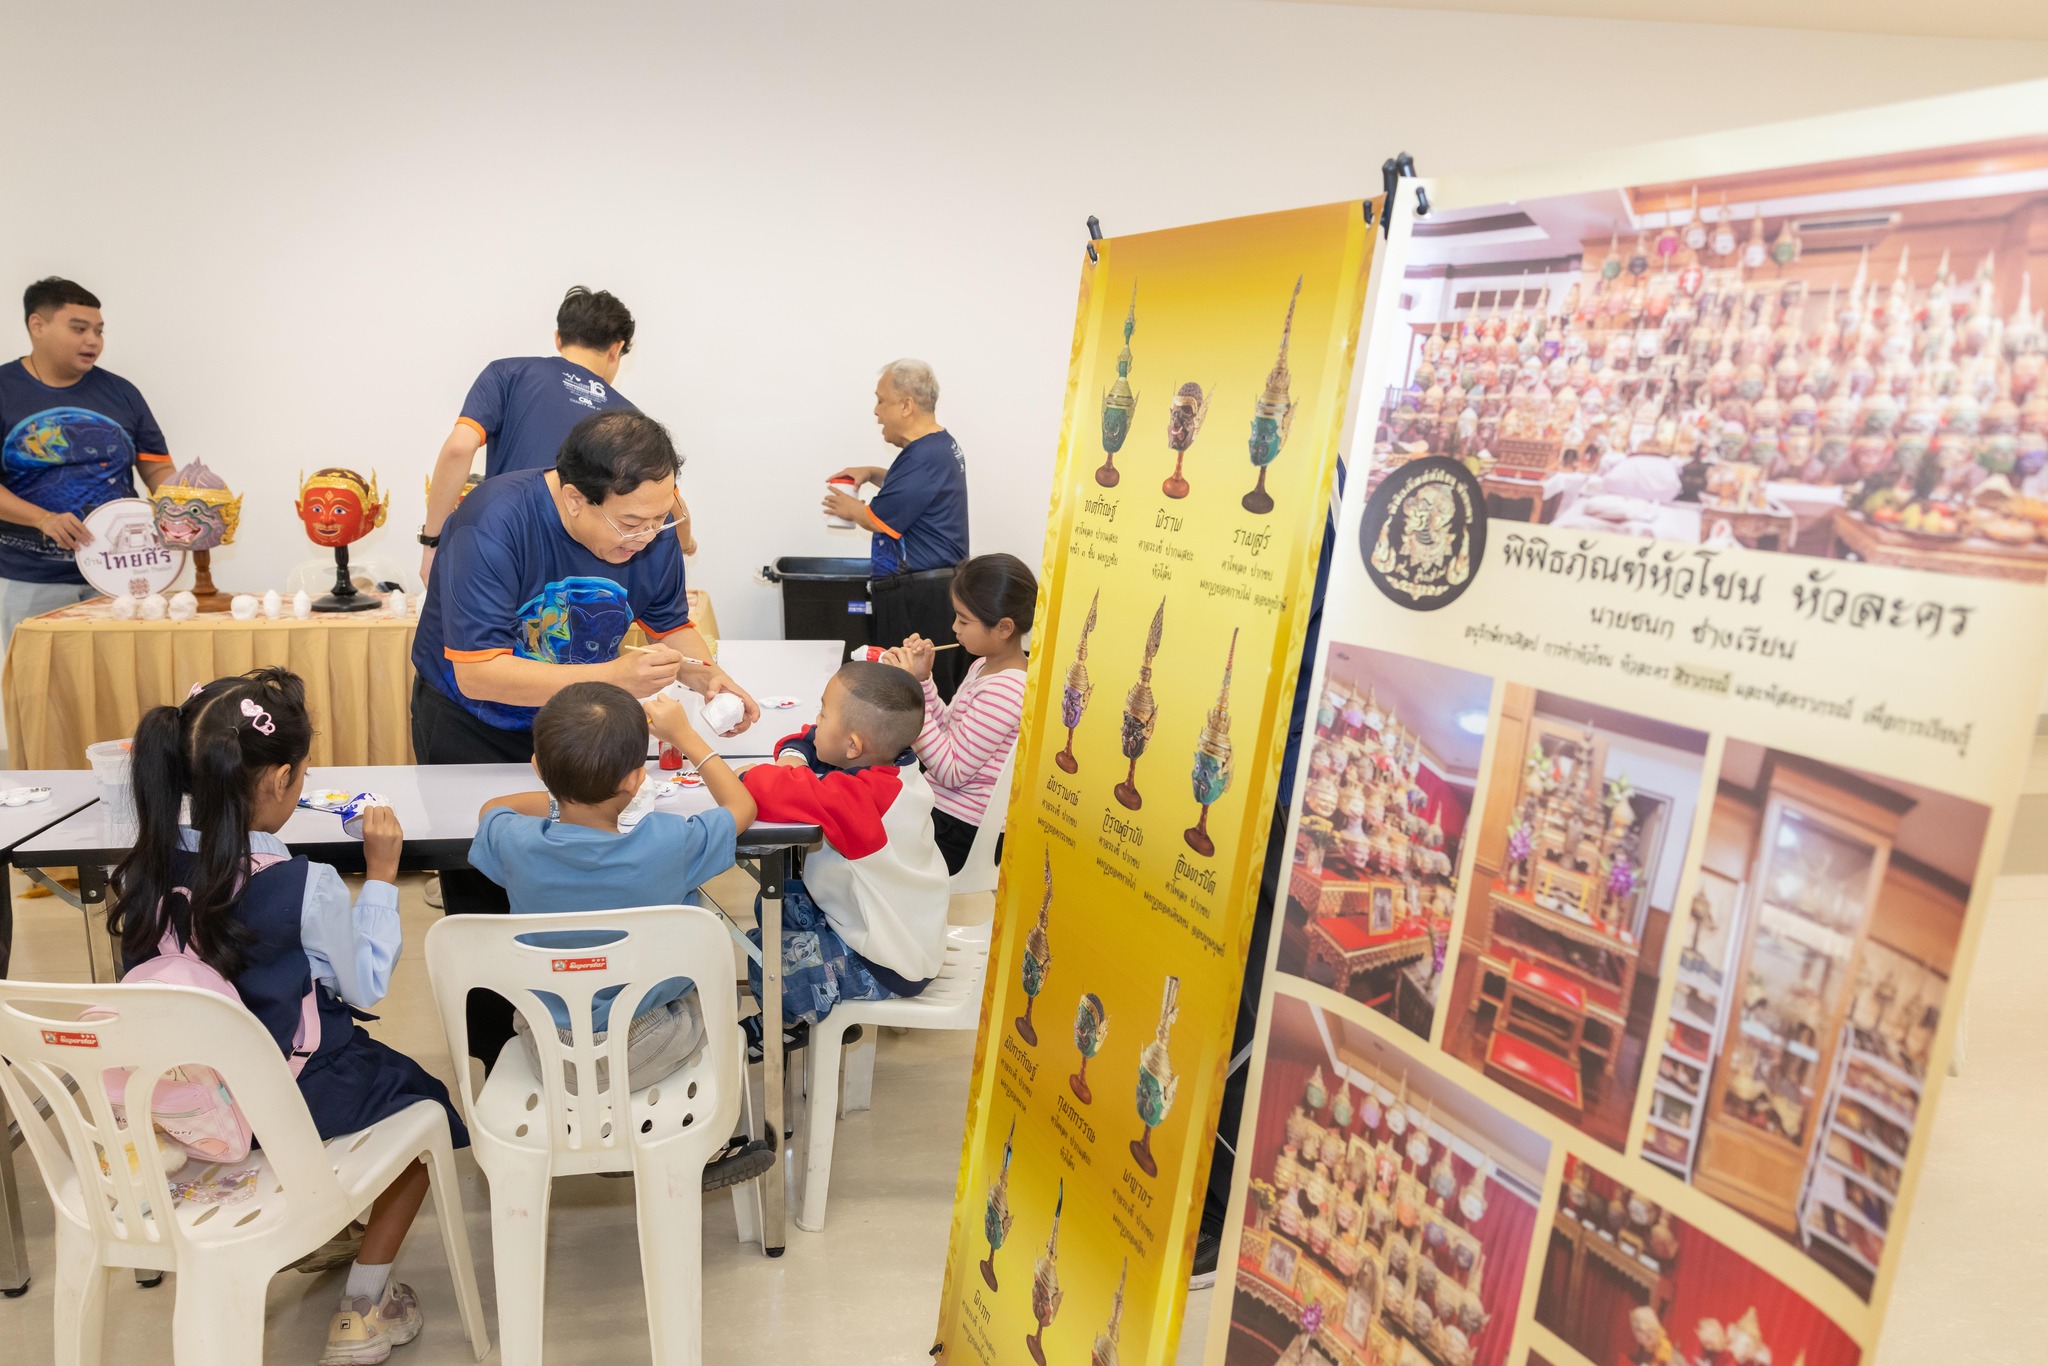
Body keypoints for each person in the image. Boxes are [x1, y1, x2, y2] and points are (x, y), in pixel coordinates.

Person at [106, 668, 464, 1366]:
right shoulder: (305, 885)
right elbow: (365, 988)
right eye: (302, 773)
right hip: (286, 1095)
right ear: (277, 781)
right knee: (427, 1110)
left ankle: (320, 1229)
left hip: (179, 1095)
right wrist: (381, 876)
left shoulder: (140, 868)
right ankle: (363, 1308)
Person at [411, 409, 759, 944]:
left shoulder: (650, 523)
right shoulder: (493, 523)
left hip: (576, 731)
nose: (648, 536)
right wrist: (615, 677)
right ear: (575, 499)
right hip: (476, 724)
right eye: (631, 524)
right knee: (486, 899)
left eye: (661, 519)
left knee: (590, 898)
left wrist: (710, 676)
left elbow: (669, 623)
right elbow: (478, 674)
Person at [468, 682, 777, 1186]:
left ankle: (612, 1142)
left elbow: (492, 808)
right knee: (710, 986)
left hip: (548, 1050)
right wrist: (687, 737)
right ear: (637, 779)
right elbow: (741, 806)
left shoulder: (513, 843)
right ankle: (683, 1147)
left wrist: (561, 798)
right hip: (649, 1044)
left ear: (539, 768)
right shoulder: (670, 843)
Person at [419, 287, 694, 582]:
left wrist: (433, 543)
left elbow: (459, 448)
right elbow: (668, 503)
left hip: (508, 549)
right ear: (616, 349)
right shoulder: (628, 419)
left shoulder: (507, 373)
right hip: (586, 578)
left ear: (559, 339)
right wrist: (687, 543)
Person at [738, 661, 949, 1041]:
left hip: (886, 963)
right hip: (876, 925)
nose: (815, 721)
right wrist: (795, 756)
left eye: (823, 713)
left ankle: (790, 1027)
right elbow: (806, 739)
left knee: (768, 962)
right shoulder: (888, 763)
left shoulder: (864, 799)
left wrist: (755, 773)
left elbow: (764, 789)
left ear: (853, 746)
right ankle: (810, 1017)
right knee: (775, 905)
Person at [0, 277, 176, 647]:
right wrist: (43, 519)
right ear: (38, 325)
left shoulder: (122, 393)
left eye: (99, 330)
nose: (93, 340)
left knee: (127, 676)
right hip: (31, 578)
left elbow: (157, 468)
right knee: (42, 680)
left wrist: (183, 509)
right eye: (79, 329)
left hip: (124, 575)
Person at [826, 359, 970, 698]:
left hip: (919, 597)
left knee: (906, 691)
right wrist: (874, 473)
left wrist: (848, 508)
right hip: (927, 590)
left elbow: (879, 519)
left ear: (906, 405)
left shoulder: (924, 455)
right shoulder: (936, 447)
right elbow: (914, 492)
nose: (876, 412)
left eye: (881, 401)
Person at [884, 553, 1034, 875]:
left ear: (1004, 627)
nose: (954, 628)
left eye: (964, 621)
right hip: (945, 811)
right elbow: (947, 731)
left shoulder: (1006, 690)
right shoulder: (983, 666)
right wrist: (923, 680)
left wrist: (911, 694)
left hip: (961, 830)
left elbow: (950, 771)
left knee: (862, 840)